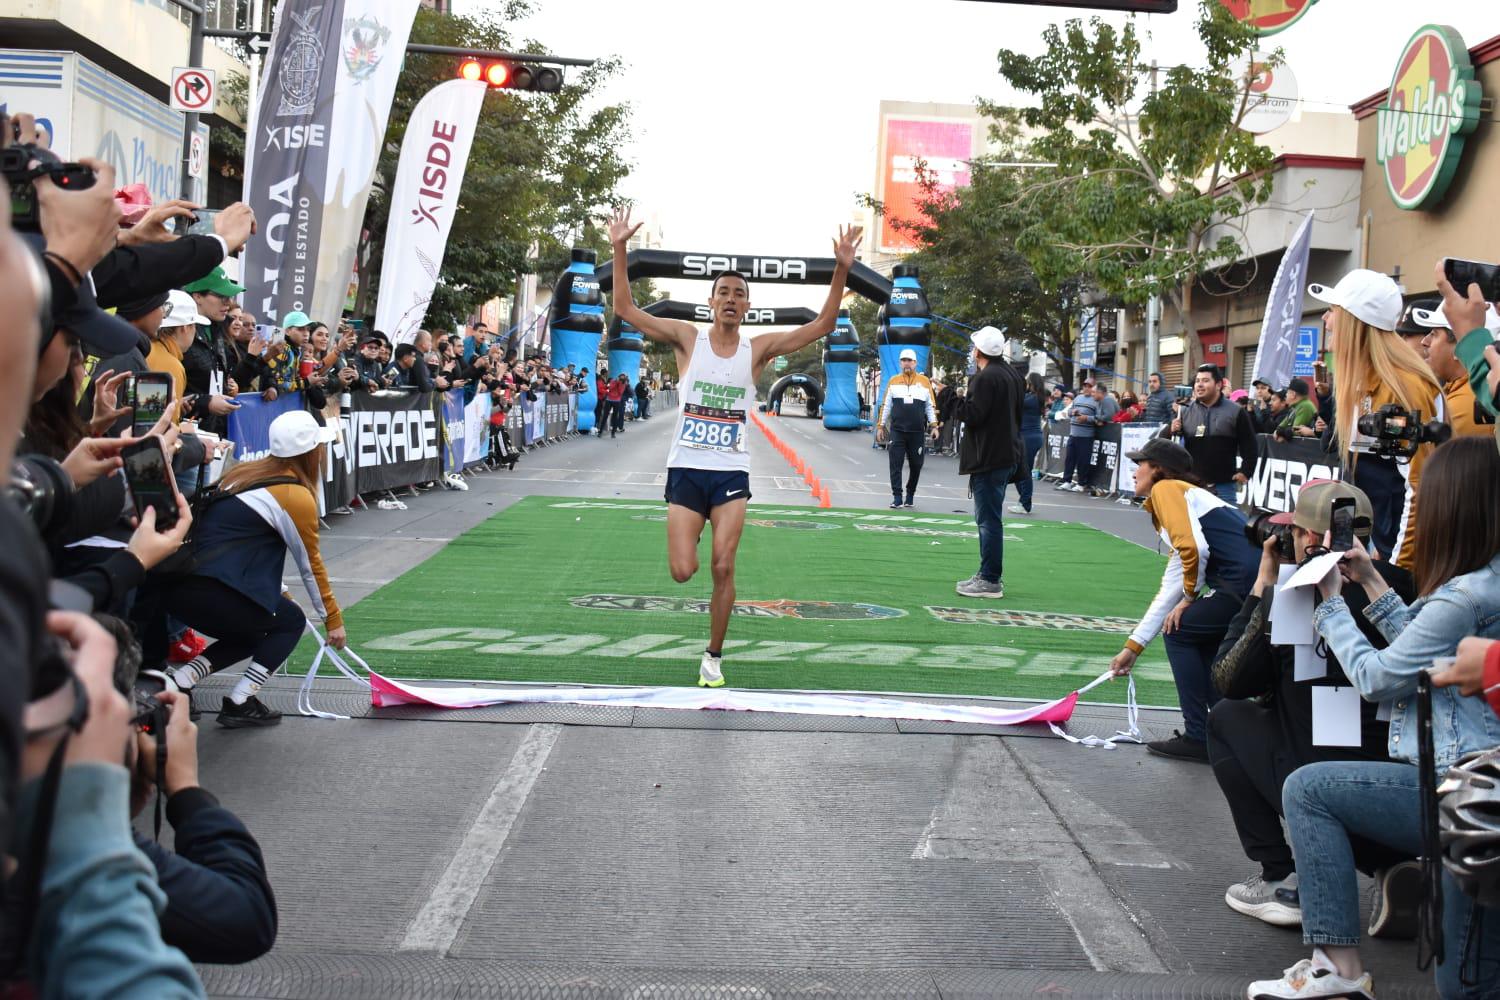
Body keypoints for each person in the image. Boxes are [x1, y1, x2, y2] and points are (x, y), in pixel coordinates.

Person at [1249, 435, 1500, 1000]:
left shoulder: (1464, 595)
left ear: (1452, 507)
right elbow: (1428, 643)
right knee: (1471, 971)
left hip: (1467, 791)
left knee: (1310, 790)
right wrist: (1369, 580)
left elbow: (1379, 676)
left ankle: (1336, 964)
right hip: (1479, 782)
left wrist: (1332, 603)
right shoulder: (1484, 584)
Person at [606, 206, 861, 688]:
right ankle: (692, 534)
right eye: (723, 292)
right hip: (686, 470)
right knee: (684, 572)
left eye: (738, 294)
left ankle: (713, 658)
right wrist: (619, 247)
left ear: (746, 308)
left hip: (730, 475)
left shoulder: (758, 348)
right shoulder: (686, 339)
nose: (730, 299)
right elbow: (625, 309)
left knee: (724, 564)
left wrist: (843, 267)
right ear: (710, 302)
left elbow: (823, 325)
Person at [1208, 481, 1416, 933]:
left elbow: (1228, 680)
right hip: (1404, 801)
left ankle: (1282, 875)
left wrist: (1263, 585)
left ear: (1305, 538)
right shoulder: (1404, 591)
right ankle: (1393, 867)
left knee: (1226, 718)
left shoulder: (1291, 594)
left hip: (1318, 796)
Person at [160, 410, 345, 727]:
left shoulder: (245, 473)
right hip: (212, 587)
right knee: (288, 623)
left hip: (180, 583)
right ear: (311, 452)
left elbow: (238, 540)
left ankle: (181, 682)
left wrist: (279, 592)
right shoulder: (294, 494)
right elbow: (310, 565)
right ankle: (240, 700)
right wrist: (333, 620)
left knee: (256, 625)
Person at [1110, 438, 1260, 761]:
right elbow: (1173, 583)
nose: (1135, 471)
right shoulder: (1188, 496)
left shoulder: (1166, 490)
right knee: (1197, 637)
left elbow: (1194, 550)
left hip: (1243, 583)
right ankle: (1229, 734)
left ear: (1159, 470)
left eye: (1141, 464)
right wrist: (1133, 646)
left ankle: (1198, 735)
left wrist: (1189, 598)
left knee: (1179, 630)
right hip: (1254, 582)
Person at [1310, 268, 1444, 571]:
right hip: (1383, 549)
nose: (1325, 319)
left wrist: (1396, 568)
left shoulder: (1402, 386)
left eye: (1332, 311)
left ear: (1355, 322)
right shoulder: (1361, 384)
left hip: (1408, 562)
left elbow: (1419, 488)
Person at [953, 325, 1023, 599]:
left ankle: (990, 578)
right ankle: (987, 574)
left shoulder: (984, 378)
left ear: (978, 351)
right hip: (1007, 454)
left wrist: (949, 397)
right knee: (990, 518)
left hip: (989, 457)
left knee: (988, 520)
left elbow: (973, 415)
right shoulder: (1013, 375)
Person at [1171, 363, 1257, 505]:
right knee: (1194, 527)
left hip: (1224, 487)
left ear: (1218, 385)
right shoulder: (1184, 411)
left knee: (1225, 526)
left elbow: (1250, 445)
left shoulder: (1236, 411)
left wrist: (1246, 472)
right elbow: (1168, 444)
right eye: (1197, 381)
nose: (1199, 385)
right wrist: (1171, 429)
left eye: (1205, 381)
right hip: (1192, 486)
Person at [1414, 300, 1497, 439]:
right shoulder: (1464, 391)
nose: (1425, 341)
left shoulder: (1464, 402)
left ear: (1460, 346)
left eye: (1434, 334)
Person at [875, 348, 937, 509]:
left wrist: (934, 425)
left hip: (916, 432)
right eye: (904, 360)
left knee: (916, 464)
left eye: (910, 360)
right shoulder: (893, 381)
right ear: (900, 363)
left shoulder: (924, 382)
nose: (907, 363)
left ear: (915, 363)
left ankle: (910, 494)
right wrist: (880, 426)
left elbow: (930, 406)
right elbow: (886, 405)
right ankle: (897, 497)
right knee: (895, 464)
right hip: (897, 431)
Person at [1009, 372, 1047, 515]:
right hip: (1029, 436)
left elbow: (1014, 400)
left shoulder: (1032, 398)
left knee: (1024, 471)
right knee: (1019, 470)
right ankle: (1024, 501)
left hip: (1029, 438)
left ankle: (1025, 503)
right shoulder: (1035, 397)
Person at [1057, 381, 1099, 493]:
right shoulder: (1078, 398)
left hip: (1086, 435)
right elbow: (1069, 411)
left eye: (1089, 386)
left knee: (1083, 461)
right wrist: (1073, 412)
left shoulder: (1096, 401)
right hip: (1073, 433)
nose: (1086, 388)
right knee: (1069, 458)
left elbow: (1099, 418)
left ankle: (1081, 484)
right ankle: (1067, 481)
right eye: (1085, 386)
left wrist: (1086, 418)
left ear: (1093, 388)